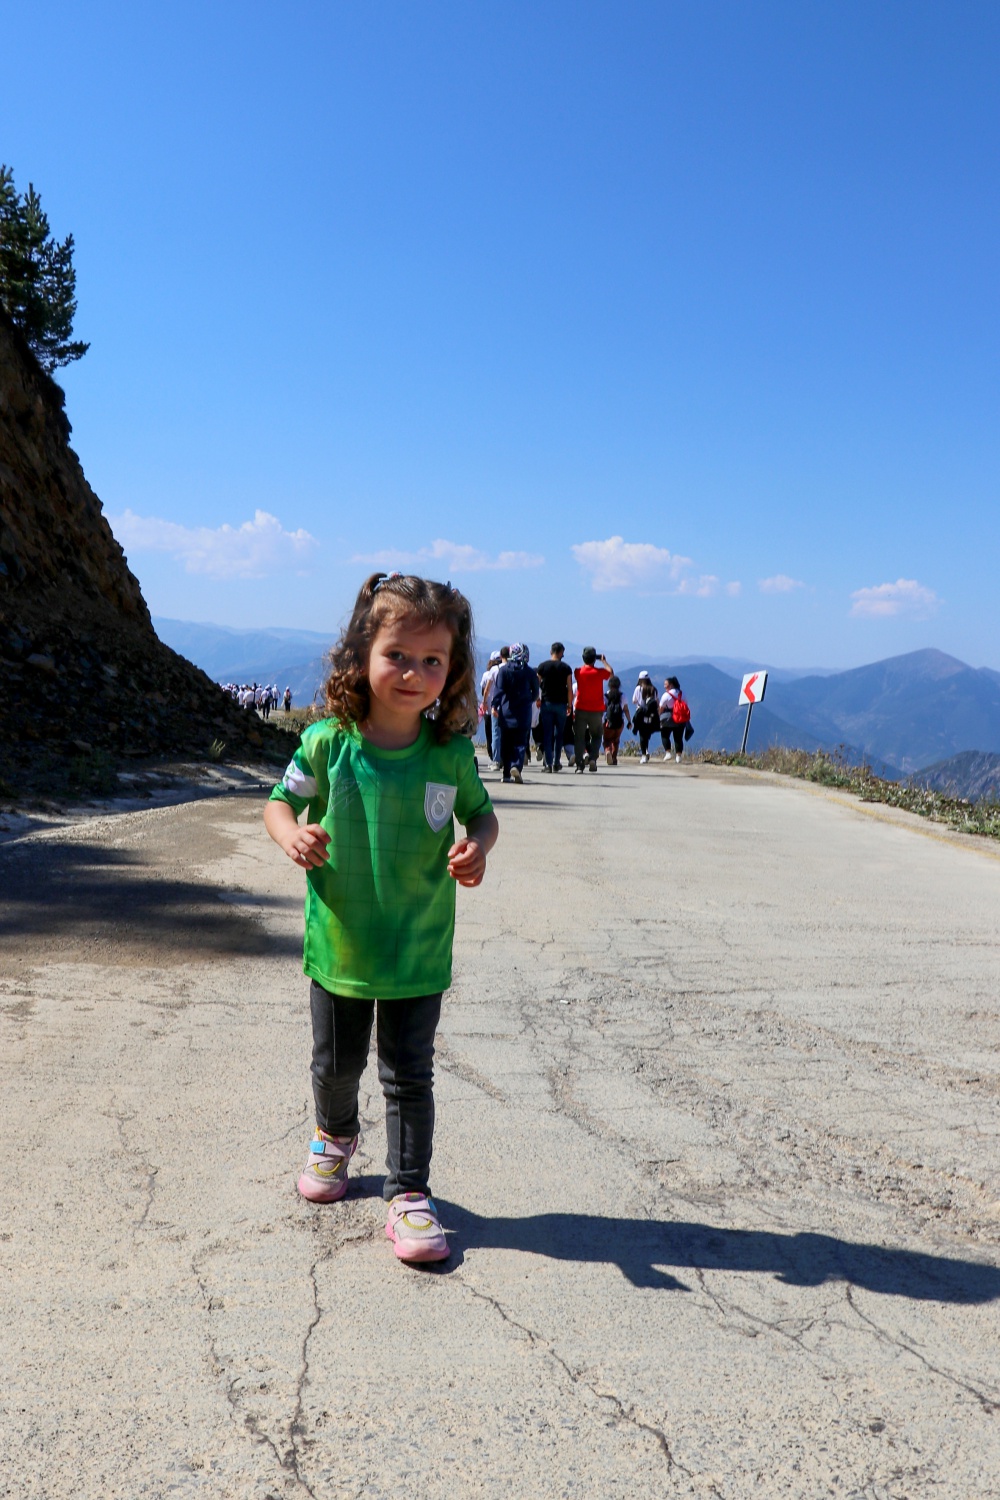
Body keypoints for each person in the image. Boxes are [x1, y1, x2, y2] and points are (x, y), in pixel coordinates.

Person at [263, 572, 499, 1264]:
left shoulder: (450, 756)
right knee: (335, 1065)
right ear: (362, 652)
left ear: (451, 672)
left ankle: (408, 1193)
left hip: (417, 946)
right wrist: (290, 836)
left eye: (434, 661)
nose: (414, 673)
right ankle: (335, 1137)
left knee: (408, 1074)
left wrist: (475, 846)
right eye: (398, 654)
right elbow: (279, 802)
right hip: (341, 942)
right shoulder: (327, 744)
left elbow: (482, 814)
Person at [492, 643, 538, 784]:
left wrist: (495, 706)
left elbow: (498, 691)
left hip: (506, 713)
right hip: (523, 713)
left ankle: (506, 774)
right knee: (520, 743)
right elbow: (535, 693)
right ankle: (516, 766)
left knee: (505, 743)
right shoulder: (530, 672)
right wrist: (528, 700)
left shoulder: (504, 671)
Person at [535, 642, 573, 773]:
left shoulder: (542, 666)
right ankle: (557, 762)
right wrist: (569, 704)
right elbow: (569, 688)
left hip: (547, 703)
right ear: (561, 652)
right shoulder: (566, 668)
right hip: (561, 704)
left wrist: (537, 699)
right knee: (559, 735)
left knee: (547, 734)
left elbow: (536, 684)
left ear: (551, 651)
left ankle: (548, 764)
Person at [573, 647, 612, 772]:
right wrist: (604, 661)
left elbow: (581, 669)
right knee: (596, 735)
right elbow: (610, 673)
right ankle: (592, 759)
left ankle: (579, 765)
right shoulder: (599, 672)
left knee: (579, 737)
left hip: (580, 709)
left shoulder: (578, 671)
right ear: (594, 659)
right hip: (596, 710)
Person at [602, 675, 630, 765]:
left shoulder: (605, 696)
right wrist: (629, 721)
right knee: (616, 740)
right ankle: (614, 758)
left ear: (609, 685)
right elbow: (625, 709)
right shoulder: (623, 696)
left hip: (608, 722)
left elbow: (603, 709)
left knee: (606, 740)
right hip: (620, 722)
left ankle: (607, 751)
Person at [480, 651, 502, 763]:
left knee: (490, 733)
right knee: (499, 732)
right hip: (501, 706)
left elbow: (483, 690)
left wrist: (483, 702)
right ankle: (499, 755)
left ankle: (492, 755)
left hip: (489, 707)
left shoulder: (486, 674)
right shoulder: (503, 670)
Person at [632, 676, 659, 763]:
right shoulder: (653, 689)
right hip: (651, 715)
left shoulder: (638, 689)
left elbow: (634, 701)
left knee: (642, 735)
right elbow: (657, 701)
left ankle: (644, 754)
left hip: (641, 714)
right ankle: (646, 750)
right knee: (647, 733)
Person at [659, 676, 682, 761]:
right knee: (678, 737)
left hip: (668, 717)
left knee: (665, 735)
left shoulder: (666, 695)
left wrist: (658, 717)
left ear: (671, 685)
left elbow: (661, 708)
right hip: (680, 718)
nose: (664, 686)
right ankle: (678, 756)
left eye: (666, 684)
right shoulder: (681, 693)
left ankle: (668, 752)